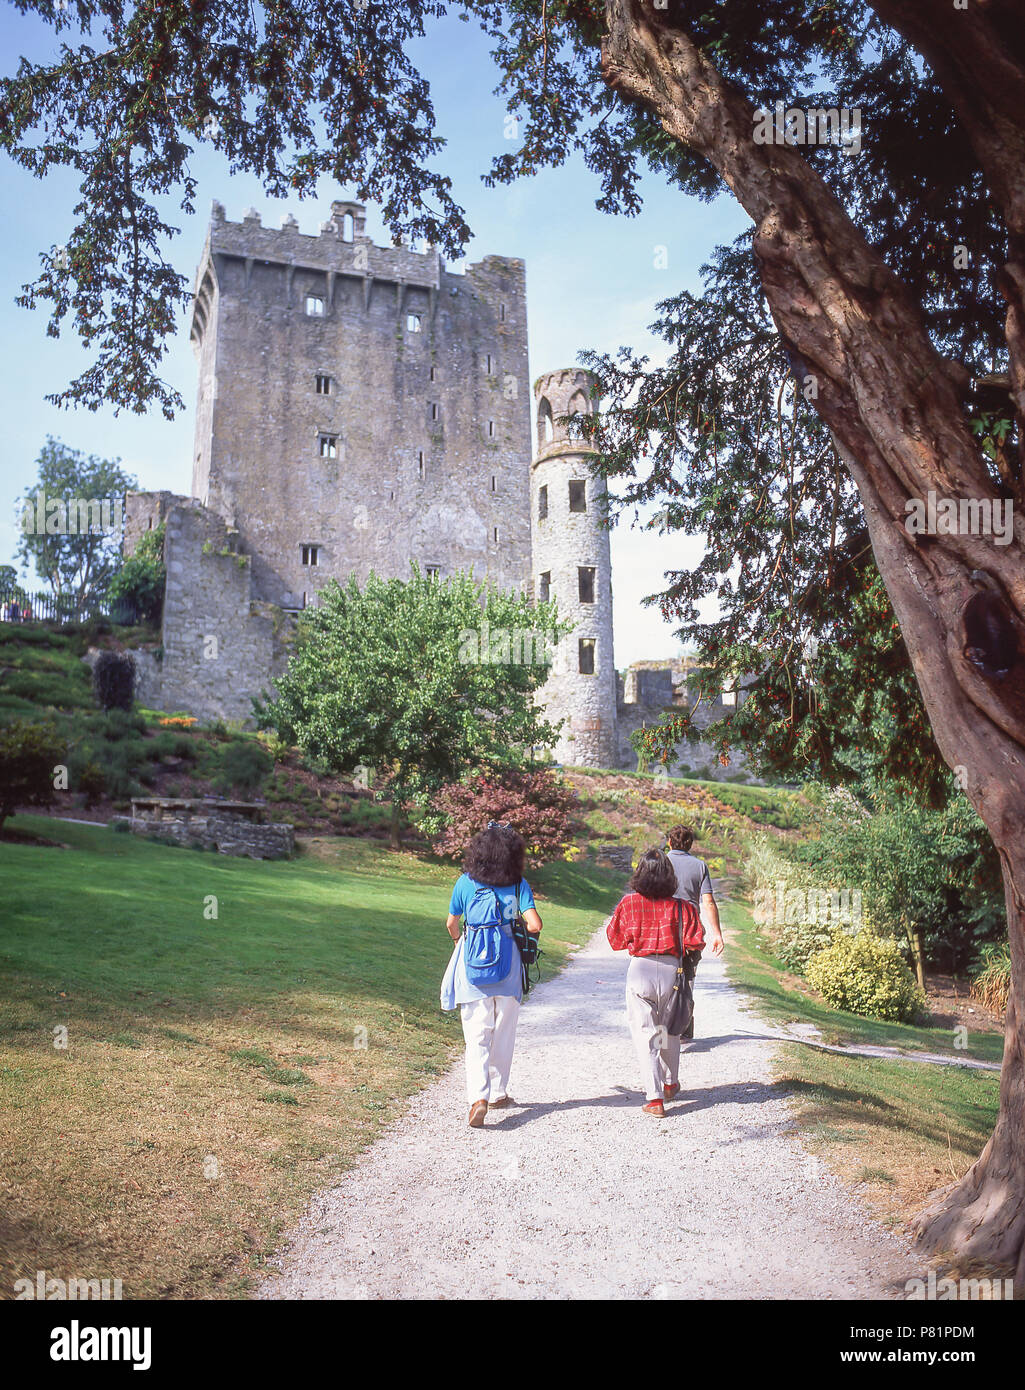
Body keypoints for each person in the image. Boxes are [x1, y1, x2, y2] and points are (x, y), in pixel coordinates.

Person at [440, 821, 543, 1128]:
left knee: (477, 1036)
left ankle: (478, 1098)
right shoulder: (518, 885)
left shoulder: (465, 883)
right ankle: (498, 1092)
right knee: (504, 1032)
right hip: (509, 969)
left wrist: (461, 941)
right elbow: (535, 924)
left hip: (473, 969)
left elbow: (450, 923)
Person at [606, 848, 709, 1117]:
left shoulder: (628, 904)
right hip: (671, 971)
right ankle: (670, 1082)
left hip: (640, 970)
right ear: (670, 875)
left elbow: (614, 940)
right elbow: (697, 939)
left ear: (639, 873)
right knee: (668, 1029)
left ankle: (654, 1098)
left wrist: (635, 938)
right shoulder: (682, 906)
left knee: (645, 1034)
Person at [665, 823, 725, 1037]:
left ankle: (664, 1028)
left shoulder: (662, 862)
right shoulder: (700, 866)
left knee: (663, 974)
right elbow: (708, 902)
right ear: (690, 844)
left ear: (669, 842)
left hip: (664, 928)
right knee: (688, 978)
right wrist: (717, 933)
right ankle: (684, 1023)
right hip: (690, 930)